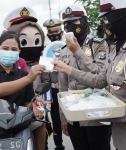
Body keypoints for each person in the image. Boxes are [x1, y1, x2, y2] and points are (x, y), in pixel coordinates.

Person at [53, 1, 126, 150]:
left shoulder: (98, 45)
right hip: (74, 117)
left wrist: (78, 53)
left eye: (74, 21)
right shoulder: (63, 50)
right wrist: (63, 117)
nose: (70, 26)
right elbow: (63, 85)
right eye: (67, 23)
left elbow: (100, 76)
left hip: (97, 117)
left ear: (84, 22)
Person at [0, 31, 46, 137]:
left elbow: (28, 102)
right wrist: (28, 78)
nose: (9, 52)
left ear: (19, 52)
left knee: (40, 125)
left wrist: (35, 109)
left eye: (14, 49)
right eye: (5, 48)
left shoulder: (23, 74)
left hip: (17, 123)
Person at [3, 6, 50, 150]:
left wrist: (46, 102)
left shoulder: (40, 62)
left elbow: (46, 81)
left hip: (37, 107)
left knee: (41, 133)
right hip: (8, 112)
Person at [43, 18, 65, 150]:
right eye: (50, 32)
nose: (53, 34)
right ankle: (59, 145)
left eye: (56, 31)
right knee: (56, 120)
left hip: (68, 89)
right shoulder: (45, 50)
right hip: (54, 90)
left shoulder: (69, 45)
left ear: (61, 31)